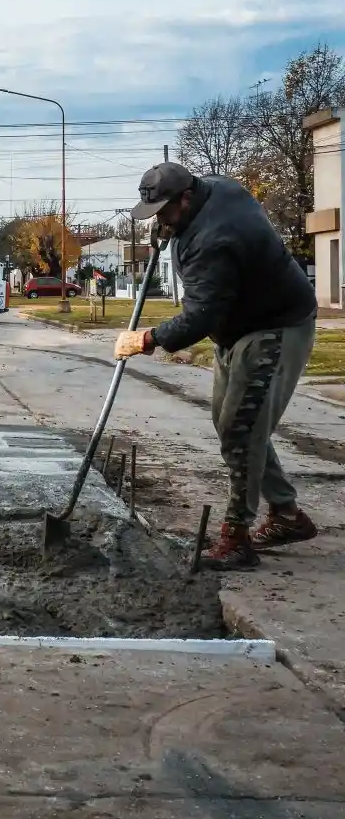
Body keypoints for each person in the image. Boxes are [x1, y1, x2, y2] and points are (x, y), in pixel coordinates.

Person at [113, 161, 318, 570]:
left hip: (274, 327)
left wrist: (147, 339)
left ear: (186, 198)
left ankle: (237, 538)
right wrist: (165, 231)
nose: (162, 222)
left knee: (242, 428)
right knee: (231, 422)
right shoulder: (211, 190)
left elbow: (200, 316)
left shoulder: (216, 239)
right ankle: (287, 514)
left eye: (165, 213)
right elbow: (209, 305)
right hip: (238, 325)